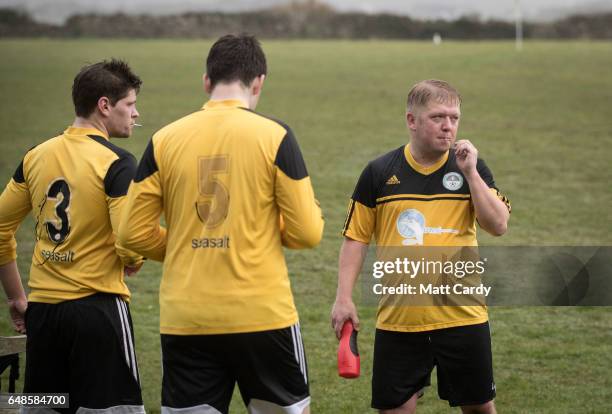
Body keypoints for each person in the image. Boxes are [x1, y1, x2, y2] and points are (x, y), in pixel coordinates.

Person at [118, 34, 324, 414]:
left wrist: (186, 243)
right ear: (259, 81)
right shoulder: (275, 136)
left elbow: (131, 233)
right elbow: (307, 232)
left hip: (187, 318)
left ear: (207, 82)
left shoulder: (163, 140)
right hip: (262, 314)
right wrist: (253, 236)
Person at [331, 79, 511, 414]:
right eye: (438, 117)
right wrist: (344, 297)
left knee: (479, 408)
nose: (448, 127)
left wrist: (471, 175)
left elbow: (498, 225)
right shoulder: (380, 172)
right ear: (412, 121)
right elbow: (356, 237)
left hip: (463, 318)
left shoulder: (471, 167)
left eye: (454, 118)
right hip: (400, 321)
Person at [0, 59, 145, 413]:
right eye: (130, 104)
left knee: (44, 407)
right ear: (104, 106)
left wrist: (17, 298)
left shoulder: (36, 155)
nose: (136, 114)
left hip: (44, 315)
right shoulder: (118, 162)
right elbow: (129, 238)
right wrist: (132, 260)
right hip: (99, 314)